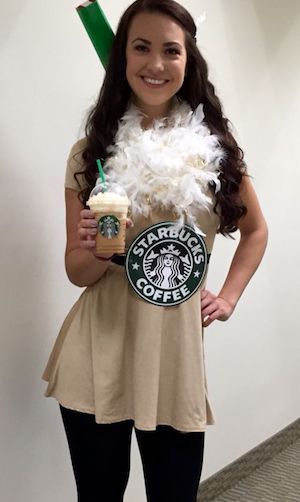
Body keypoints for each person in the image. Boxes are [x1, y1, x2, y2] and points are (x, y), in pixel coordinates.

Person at [42, 0, 268, 500]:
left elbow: (256, 232)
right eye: (141, 47)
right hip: (96, 359)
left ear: (189, 62)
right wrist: (98, 248)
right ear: (122, 56)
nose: (156, 64)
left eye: (171, 50)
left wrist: (228, 297)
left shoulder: (218, 149)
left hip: (176, 362)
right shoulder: (90, 153)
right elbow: (76, 272)